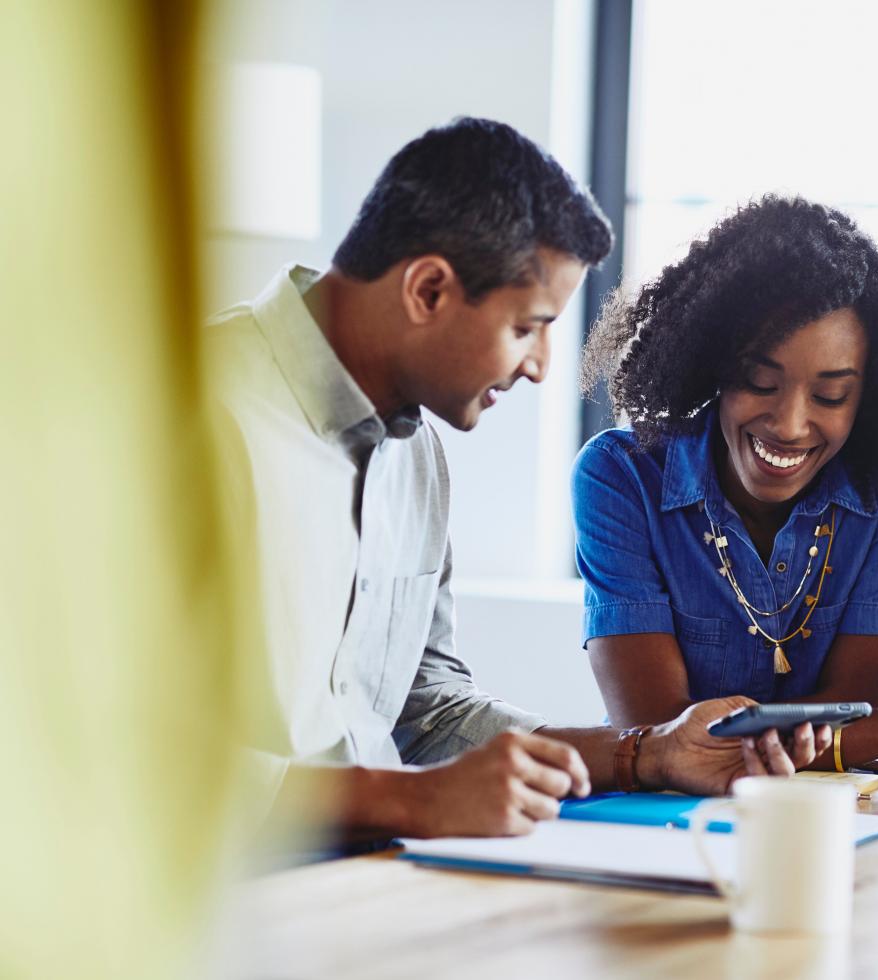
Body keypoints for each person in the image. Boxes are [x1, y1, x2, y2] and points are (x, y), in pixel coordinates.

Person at [209, 119, 829, 844]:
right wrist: (410, 803)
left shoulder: (414, 454)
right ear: (429, 289)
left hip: (374, 889)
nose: (538, 365)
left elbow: (426, 709)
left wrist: (647, 753)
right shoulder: (175, 415)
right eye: (527, 327)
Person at [573, 195, 878, 770]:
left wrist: (872, 730)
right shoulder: (621, 475)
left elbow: (848, 715)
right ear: (712, 368)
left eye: (830, 396)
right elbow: (666, 740)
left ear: (871, 396)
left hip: (829, 813)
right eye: (758, 381)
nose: (789, 424)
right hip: (651, 818)